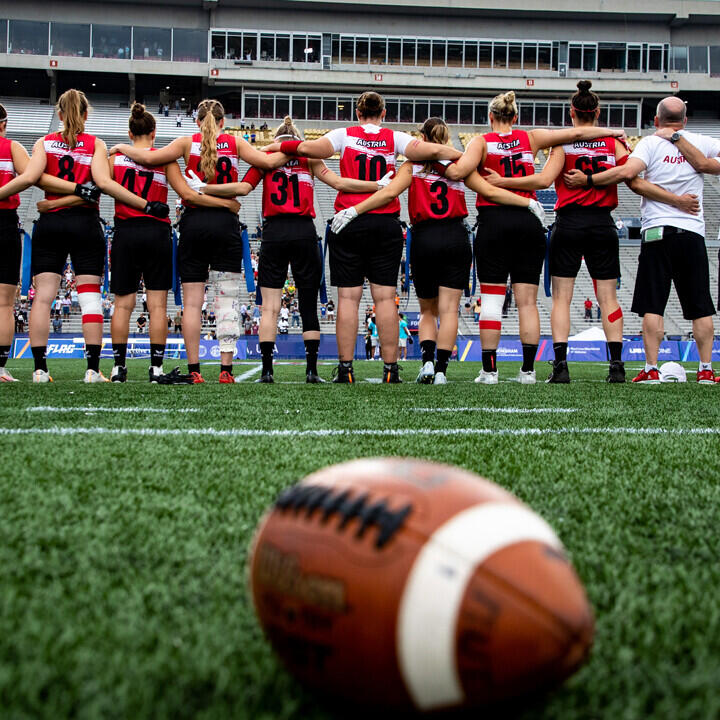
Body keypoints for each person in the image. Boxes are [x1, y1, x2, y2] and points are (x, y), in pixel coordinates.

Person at [486, 81, 696, 384]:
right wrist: (674, 198)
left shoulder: (563, 144)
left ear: (572, 112)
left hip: (569, 223)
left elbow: (544, 180)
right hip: (602, 224)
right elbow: (633, 179)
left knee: (561, 299)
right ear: (597, 112)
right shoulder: (614, 144)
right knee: (608, 298)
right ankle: (616, 366)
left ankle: (560, 366)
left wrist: (501, 182)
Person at [264, 92, 464, 384]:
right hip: (385, 222)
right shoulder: (394, 138)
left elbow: (306, 147)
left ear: (357, 113)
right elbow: (433, 152)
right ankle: (390, 370)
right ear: (383, 112)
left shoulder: (343, 135)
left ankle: (345, 370)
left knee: (347, 298)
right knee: (384, 299)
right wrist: (465, 154)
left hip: (349, 220)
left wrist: (276, 144)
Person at [332, 116, 545, 385]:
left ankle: (429, 363)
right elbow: (490, 192)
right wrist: (527, 204)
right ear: (447, 139)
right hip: (455, 236)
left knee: (427, 311)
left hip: (424, 237)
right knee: (449, 311)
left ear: (421, 139)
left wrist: (354, 210)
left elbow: (388, 194)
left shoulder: (413, 165)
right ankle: (443, 371)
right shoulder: (462, 166)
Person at [444, 90, 627, 385]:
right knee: (528, 301)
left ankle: (490, 371)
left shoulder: (479, 142)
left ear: (490, 117)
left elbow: (459, 172)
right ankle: (529, 371)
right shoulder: (532, 138)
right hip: (533, 222)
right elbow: (579, 134)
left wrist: (445, 156)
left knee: (492, 299)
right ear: (515, 117)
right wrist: (612, 132)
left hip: (497, 221)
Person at [192, 115, 385, 383]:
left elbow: (244, 188)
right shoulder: (308, 158)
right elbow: (340, 183)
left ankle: (268, 371)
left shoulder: (266, 160)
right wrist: (377, 185)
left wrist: (205, 189)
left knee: (269, 308)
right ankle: (312, 371)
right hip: (305, 232)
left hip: (274, 232)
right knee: (308, 306)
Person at [110, 98, 287, 383]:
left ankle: (194, 370)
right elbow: (267, 163)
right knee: (227, 301)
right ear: (222, 122)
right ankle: (226, 371)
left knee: (192, 304)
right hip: (225, 226)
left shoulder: (183, 143)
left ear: (196, 122)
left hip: (193, 224)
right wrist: (285, 148)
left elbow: (148, 158)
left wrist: (120, 148)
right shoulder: (234, 142)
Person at [0, 89, 165, 383]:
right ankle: (91, 369)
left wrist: (53, 202)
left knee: (42, 300)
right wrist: (145, 204)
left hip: (49, 225)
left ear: (59, 115)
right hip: (85, 225)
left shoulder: (44, 142)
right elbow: (101, 185)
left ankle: (39, 369)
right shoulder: (95, 145)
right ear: (87, 115)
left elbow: (31, 178)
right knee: (90, 300)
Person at [564, 96, 719, 384]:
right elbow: (709, 165)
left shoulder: (649, 142)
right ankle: (706, 369)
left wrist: (587, 181)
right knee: (701, 305)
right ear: (685, 120)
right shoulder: (703, 141)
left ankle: (651, 367)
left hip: (657, 232)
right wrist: (681, 197)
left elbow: (628, 175)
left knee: (653, 305)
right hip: (693, 233)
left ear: (656, 120)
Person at [0, 103, 29, 381]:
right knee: (3, 303)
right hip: (4, 222)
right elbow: (31, 176)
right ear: (3, 124)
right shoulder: (11, 148)